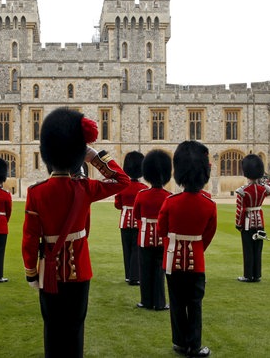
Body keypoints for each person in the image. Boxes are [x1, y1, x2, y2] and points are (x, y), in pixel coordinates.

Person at [22, 107, 130, 358]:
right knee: (75, 328)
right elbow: (122, 181)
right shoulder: (86, 188)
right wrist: (94, 156)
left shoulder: (36, 193)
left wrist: (31, 273)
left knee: (52, 327)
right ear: (76, 155)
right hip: (78, 271)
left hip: (47, 273)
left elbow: (30, 238)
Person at [158, 141, 216, 358]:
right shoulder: (209, 205)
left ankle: (180, 342)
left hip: (172, 261)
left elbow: (162, 230)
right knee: (195, 304)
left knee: (176, 302)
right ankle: (195, 345)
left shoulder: (170, 202)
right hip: (196, 263)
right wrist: (197, 250)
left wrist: (172, 248)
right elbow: (208, 236)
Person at [133, 149, 172, 311]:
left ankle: (146, 301)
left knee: (145, 270)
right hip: (162, 238)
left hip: (144, 237)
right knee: (159, 271)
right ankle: (160, 302)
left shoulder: (142, 194)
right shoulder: (168, 196)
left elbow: (136, 215)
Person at [235, 154, 270, 283]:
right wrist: (262, 178)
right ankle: (257, 275)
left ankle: (248, 275)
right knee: (258, 249)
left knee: (248, 250)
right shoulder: (263, 189)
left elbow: (241, 210)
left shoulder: (243, 191)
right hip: (260, 222)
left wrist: (238, 224)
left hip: (247, 223)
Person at [114, 151, 146, 285]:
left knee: (126, 249)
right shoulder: (143, 188)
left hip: (124, 222)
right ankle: (135, 277)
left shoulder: (123, 187)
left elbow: (117, 204)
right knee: (136, 249)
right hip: (138, 223)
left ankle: (128, 275)